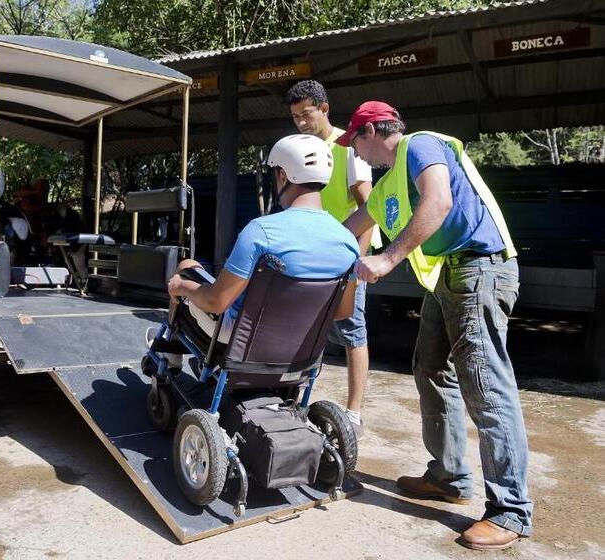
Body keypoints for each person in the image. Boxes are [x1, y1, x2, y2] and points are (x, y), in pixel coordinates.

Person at [337, 100, 532, 550]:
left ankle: (511, 511)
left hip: (480, 270)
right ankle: (448, 476)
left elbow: (439, 200)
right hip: (450, 275)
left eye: (356, 143)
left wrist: (387, 257)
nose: (356, 154)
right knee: (430, 368)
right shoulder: (389, 184)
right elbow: (351, 226)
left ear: (372, 132)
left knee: (486, 386)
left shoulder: (420, 145)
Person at [150, 134, 360, 367]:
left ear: (282, 175)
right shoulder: (348, 242)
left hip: (243, 338)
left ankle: (170, 355)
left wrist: (181, 286)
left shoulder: (261, 231)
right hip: (301, 343)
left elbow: (216, 302)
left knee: (186, 267)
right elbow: (343, 310)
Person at [285, 80, 378, 437]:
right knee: (307, 328)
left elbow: (368, 207)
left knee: (352, 329)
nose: (301, 123)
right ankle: (294, 398)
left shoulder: (348, 148)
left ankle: (353, 412)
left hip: (347, 255)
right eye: (294, 117)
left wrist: (359, 260)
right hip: (314, 254)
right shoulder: (298, 149)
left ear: (324, 109)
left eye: (305, 114)